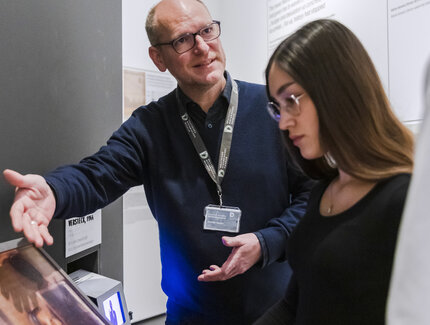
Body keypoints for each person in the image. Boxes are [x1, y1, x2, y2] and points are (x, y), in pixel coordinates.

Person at [2, 0, 312, 323]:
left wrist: (265, 242)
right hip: (190, 317)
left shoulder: (273, 111)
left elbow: (312, 197)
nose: (203, 48)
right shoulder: (149, 127)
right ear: (158, 58)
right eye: (183, 40)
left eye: (207, 31)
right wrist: (53, 191)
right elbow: (97, 175)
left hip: (277, 313)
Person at [255, 19, 414, 325]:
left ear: (336, 90)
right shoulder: (323, 191)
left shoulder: (404, 200)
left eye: (291, 100)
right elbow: (294, 304)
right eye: (277, 107)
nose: (283, 122)